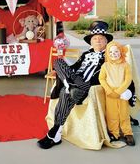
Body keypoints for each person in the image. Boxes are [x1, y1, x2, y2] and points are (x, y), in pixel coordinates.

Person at [37, 20, 114, 149]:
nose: (98, 41)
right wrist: (64, 72)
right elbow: (74, 67)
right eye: (95, 39)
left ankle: (55, 134)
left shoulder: (109, 56)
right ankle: (69, 85)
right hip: (75, 80)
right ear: (91, 42)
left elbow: (118, 71)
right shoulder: (85, 54)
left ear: (106, 42)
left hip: (87, 84)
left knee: (65, 92)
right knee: (58, 62)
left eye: (101, 39)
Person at [99, 41, 135, 146]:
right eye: (110, 52)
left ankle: (127, 133)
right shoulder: (105, 66)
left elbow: (128, 79)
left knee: (124, 113)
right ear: (107, 54)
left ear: (121, 52)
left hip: (122, 92)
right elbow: (102, 78)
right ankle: (114, 132)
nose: (113, 54)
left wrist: (119, 91)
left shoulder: (125, 65)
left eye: (116, 51)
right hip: (110, 93)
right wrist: (109, 91)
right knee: (112, 113)